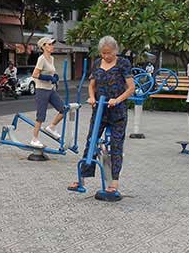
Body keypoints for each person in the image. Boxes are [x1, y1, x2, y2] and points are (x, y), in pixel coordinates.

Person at [68, 36, 135, 194]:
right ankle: (82, 178)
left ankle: (114, 183)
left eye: (109, 53)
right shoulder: (97, 63)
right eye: (103, 53)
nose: (106, 56)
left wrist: (117, 100)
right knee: (91, 141)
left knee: (116, 146)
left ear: (115, 51)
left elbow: (131, 88)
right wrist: (92, 97)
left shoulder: (123, 63)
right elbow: (92, 85)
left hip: (117, 112)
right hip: (99, 110)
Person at [30, 37, 65, 148]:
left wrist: (54, 76)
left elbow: (51, 72)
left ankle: (51, 127)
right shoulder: (41, 59)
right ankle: (34, 139)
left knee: (63, 109)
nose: (52, 46)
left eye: (52, 44)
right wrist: (48, 77)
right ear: (43, 46)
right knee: (41, 116)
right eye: (49, 44)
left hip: (50, 89)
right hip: (41, 90)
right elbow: (35, 74)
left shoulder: (52, 58)